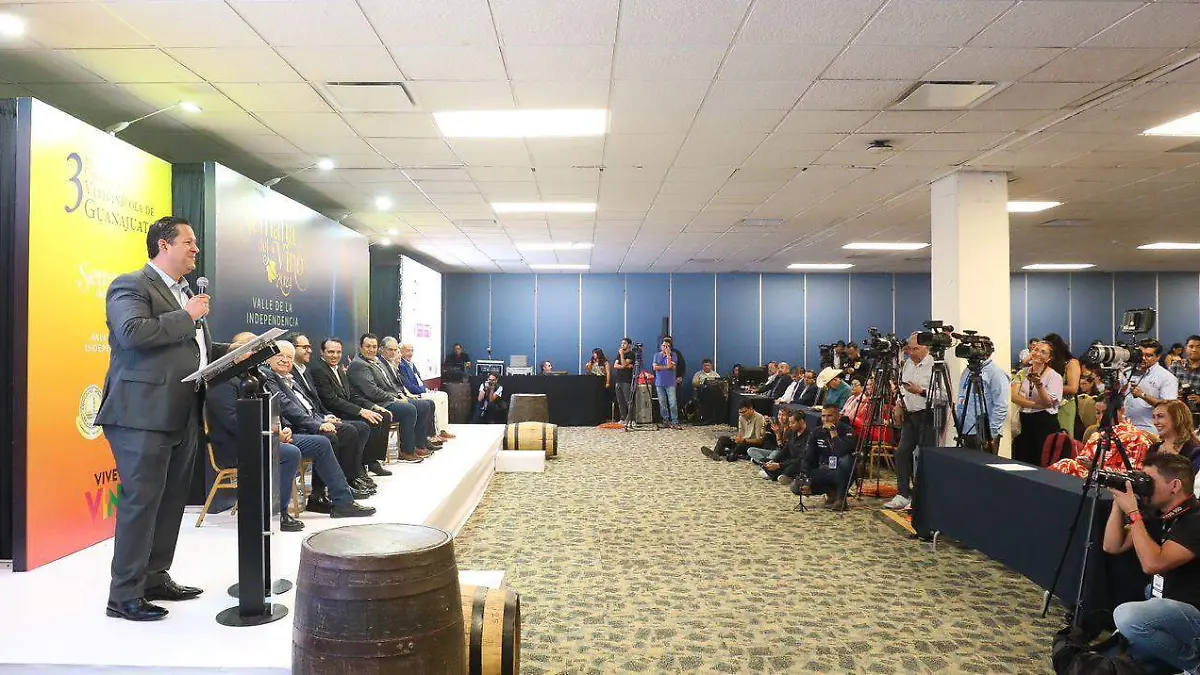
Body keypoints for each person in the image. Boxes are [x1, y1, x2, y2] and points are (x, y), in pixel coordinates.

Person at [95, 216, 229, 622]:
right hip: (141, 414)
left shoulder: (186, 294)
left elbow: (193, 349)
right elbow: (132, 332)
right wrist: (186, 316)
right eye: (189, 242)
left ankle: (154, 578)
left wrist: (241, 350)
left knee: (170, 502)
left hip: (182, 410)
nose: (196, 249)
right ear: (163, 245)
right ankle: (123, 595)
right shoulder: (131, 285)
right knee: (141, 503)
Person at [1103, 453, 1200, 675]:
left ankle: (1195, 666)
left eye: (1149, 480)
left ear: (1174, 486)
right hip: (1170, 605)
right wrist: (1119, 503)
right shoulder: (1160, 514)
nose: (1143, 486)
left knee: (1128, 617)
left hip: (1194, 615)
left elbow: (1152, 564)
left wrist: (1134, 514)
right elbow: (1112, 546)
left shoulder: (1195, 520)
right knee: (1114, 658)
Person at [260, 341, 375, 496]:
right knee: (335, 435)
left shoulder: (290, 378)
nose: (285, 360)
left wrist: (324, 417)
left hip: (312, 419)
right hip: (295, 427)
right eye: (280, 356)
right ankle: (324, 492)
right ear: (268, 358)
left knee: (355, 428)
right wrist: (318, 424)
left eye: (289, 357)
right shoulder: (269, 377)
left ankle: (349, 480)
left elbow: (311, 405)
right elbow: (288, 407)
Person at [292, 333, 388, 478]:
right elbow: (332, 400)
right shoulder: (318, 370)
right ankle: (355, 471)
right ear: (322, 352)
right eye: (331, 352)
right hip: (335, 412)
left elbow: (351, 395)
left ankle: (369, 463)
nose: (335, 355)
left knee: (380, 416)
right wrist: (360, 411)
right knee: (362, 426)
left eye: (338, 352)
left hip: (333, 413)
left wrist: (371, 406)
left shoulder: (338, 368)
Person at [347, 334, 430, 462]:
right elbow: (372, 392)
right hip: (375, 403)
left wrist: (400, 395)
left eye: (374, 346)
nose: (371, 350)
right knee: (409, 409)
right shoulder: (359, 364)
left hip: (387, 399)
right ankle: (406, 451)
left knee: (425, 405)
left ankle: (419, 445)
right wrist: (395, 399)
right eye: (368, 346)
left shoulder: (375, 361)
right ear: (361, 347)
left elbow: (390, 384)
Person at [884, 333, 934, 511]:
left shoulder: (935, 365)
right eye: (909, 349)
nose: (911, 353)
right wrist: (899, 404)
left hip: (927, 416)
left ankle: (921, 496)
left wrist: (921, 391)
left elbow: (943, 395)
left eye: (916, 349)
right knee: (901, 453)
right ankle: (903, 493)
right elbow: (903, 388)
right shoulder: (908, 365)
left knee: (924, 458)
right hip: (909, 415)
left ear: (926, 347)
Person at [1049, 399, 1153, 478]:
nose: (1101, 417)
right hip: (1087, 479)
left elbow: (1133, 476)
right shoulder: (1097, 435)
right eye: (1098, 413)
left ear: (1122, 411)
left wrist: (1096, 467)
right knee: (1065, 465)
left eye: (1105, 413)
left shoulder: (1138, 439)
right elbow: (1081, 462)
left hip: (1115, 487)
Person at [1011, 340, 1064, 466]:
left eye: (1043, 352)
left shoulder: (1054, 376)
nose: (1038, 354)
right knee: (1022, 461)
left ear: (1049, 358)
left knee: (1042, 461)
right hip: (1024, 421)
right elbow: (1013, 396)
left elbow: (1048, 403)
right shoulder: (1022, 373)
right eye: (1036, 350)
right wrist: (1036, 405)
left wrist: (1039, 384)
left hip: (1044, 423)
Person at [380, 336, 440, 447]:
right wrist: (401, 396)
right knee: (418, 407)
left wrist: (405, 395)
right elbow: (389, 387)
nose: (393, 353)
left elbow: (399, 385)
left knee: (429, 403)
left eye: (395, 350)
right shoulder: (382, 364)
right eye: (390, 350)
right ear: (382, 349)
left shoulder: (391, 364)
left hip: (399, 396)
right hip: (388, 400)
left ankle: (424, 440)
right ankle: (410, 448)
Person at [799, 404, 858, 511]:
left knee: (846, 460)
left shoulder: (848, 431)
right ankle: (831, 492)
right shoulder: (817, 432)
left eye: (829, 416)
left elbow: (842, 451)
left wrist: (833, 432)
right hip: (824, 469)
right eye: (823, 416)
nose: (825, 419)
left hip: (842, 470)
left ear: (838, 416)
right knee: (796, 486)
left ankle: (841, 498)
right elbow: (808, 457)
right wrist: (806, 480)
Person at [954, 354, 1011, 452]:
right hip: (965, 430)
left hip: (984, 433)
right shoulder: (967, 371)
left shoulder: (996, 373)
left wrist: (991, 434)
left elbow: (1001, 406)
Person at [398, 342, 454, 440]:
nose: (410, 353)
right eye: (407, 351)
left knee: (443, 395)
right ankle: (435, 433)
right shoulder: (401, 365)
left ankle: (443, 429)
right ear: (401, 351)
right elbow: (408, 386)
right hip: (414, 394)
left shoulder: (412, 364)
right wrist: (424, 390)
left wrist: (426, 389)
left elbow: (419, 380)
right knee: (435, 399)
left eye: (412, 351)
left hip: (422, 390)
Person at [1126, 339, 1180, 436]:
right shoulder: (1127, 372)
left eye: (1148, 355)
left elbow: (1169, 406)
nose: (1143, 358)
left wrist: (1143, 395)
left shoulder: (1167, 378)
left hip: (1151, 430)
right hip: (1126, 427)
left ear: (1158, 357)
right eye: (1141, 354)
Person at [701, 399, 765, 461]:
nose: (742, 414)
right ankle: (716, 453)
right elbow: (740, 434)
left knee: (740, 446)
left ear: (751, 409)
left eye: (744, 412)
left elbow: (759, 441)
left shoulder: (759, 418)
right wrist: (736, 439)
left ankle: (730, 454)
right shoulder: (741, 417)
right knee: (723, 439)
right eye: (740, 412)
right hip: (742, 442)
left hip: (752, 445)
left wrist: (744, 440)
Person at [1147, 400, 1200, 474]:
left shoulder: (1195, 451)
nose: (1155, 422)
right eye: (1153, 417)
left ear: (1177, 418)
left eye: (1160, 416)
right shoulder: (1153, 448)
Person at [1044, 333, 1082, 435]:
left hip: (1065, 405)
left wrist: (1048, 388)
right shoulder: (1050, 364)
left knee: (1063, 437)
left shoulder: (1071, 363)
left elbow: (1073, 388)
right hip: (1048, 406)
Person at [764, 414, 812, 485]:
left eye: (793, 423)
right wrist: (773, 460)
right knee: (764, 461)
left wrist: (779, 465)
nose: (790, 425)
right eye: (789, 423)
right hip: (788, 461)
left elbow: (801, 459)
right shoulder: (792, 432)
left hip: (798, 463)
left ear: (801, 421)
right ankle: (779, 476)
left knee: (792, 467)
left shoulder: (809, 436)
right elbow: (784, 450)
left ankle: (778, 475)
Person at [653, 340, 680, 428]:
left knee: (672, 403)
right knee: (662, 403)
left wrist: (668, 355)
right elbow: (655, 367)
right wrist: (667, 367)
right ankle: (665, 420)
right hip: (659, 383)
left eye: (667, 346)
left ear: (670, 348)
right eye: (663, 345)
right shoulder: (657, 355)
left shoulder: (673, 355)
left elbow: (671, 366)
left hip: (670, 383)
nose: (665, 347)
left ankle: (675, 421)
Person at [1169, 335, 1200, 410]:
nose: (1194, 350)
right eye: (1191, 346)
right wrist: (1174, 395)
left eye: (1198, 347)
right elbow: (1166, 386)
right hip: (1178, 410)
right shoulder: (1176, 365)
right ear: (1186, 349)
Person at [613, 338, 636, 421]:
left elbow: (623, 363)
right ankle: (623, 418)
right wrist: (624, 366)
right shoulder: (619, 354)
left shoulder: (631, 354)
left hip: (626, 381)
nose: (622, 345)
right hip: (618, 380)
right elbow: (615, 365)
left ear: (629, 345)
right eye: (622, 343)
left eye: (624, 343)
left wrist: (622, 356)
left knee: (628, 400)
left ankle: (631, 419)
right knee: (620, 401)